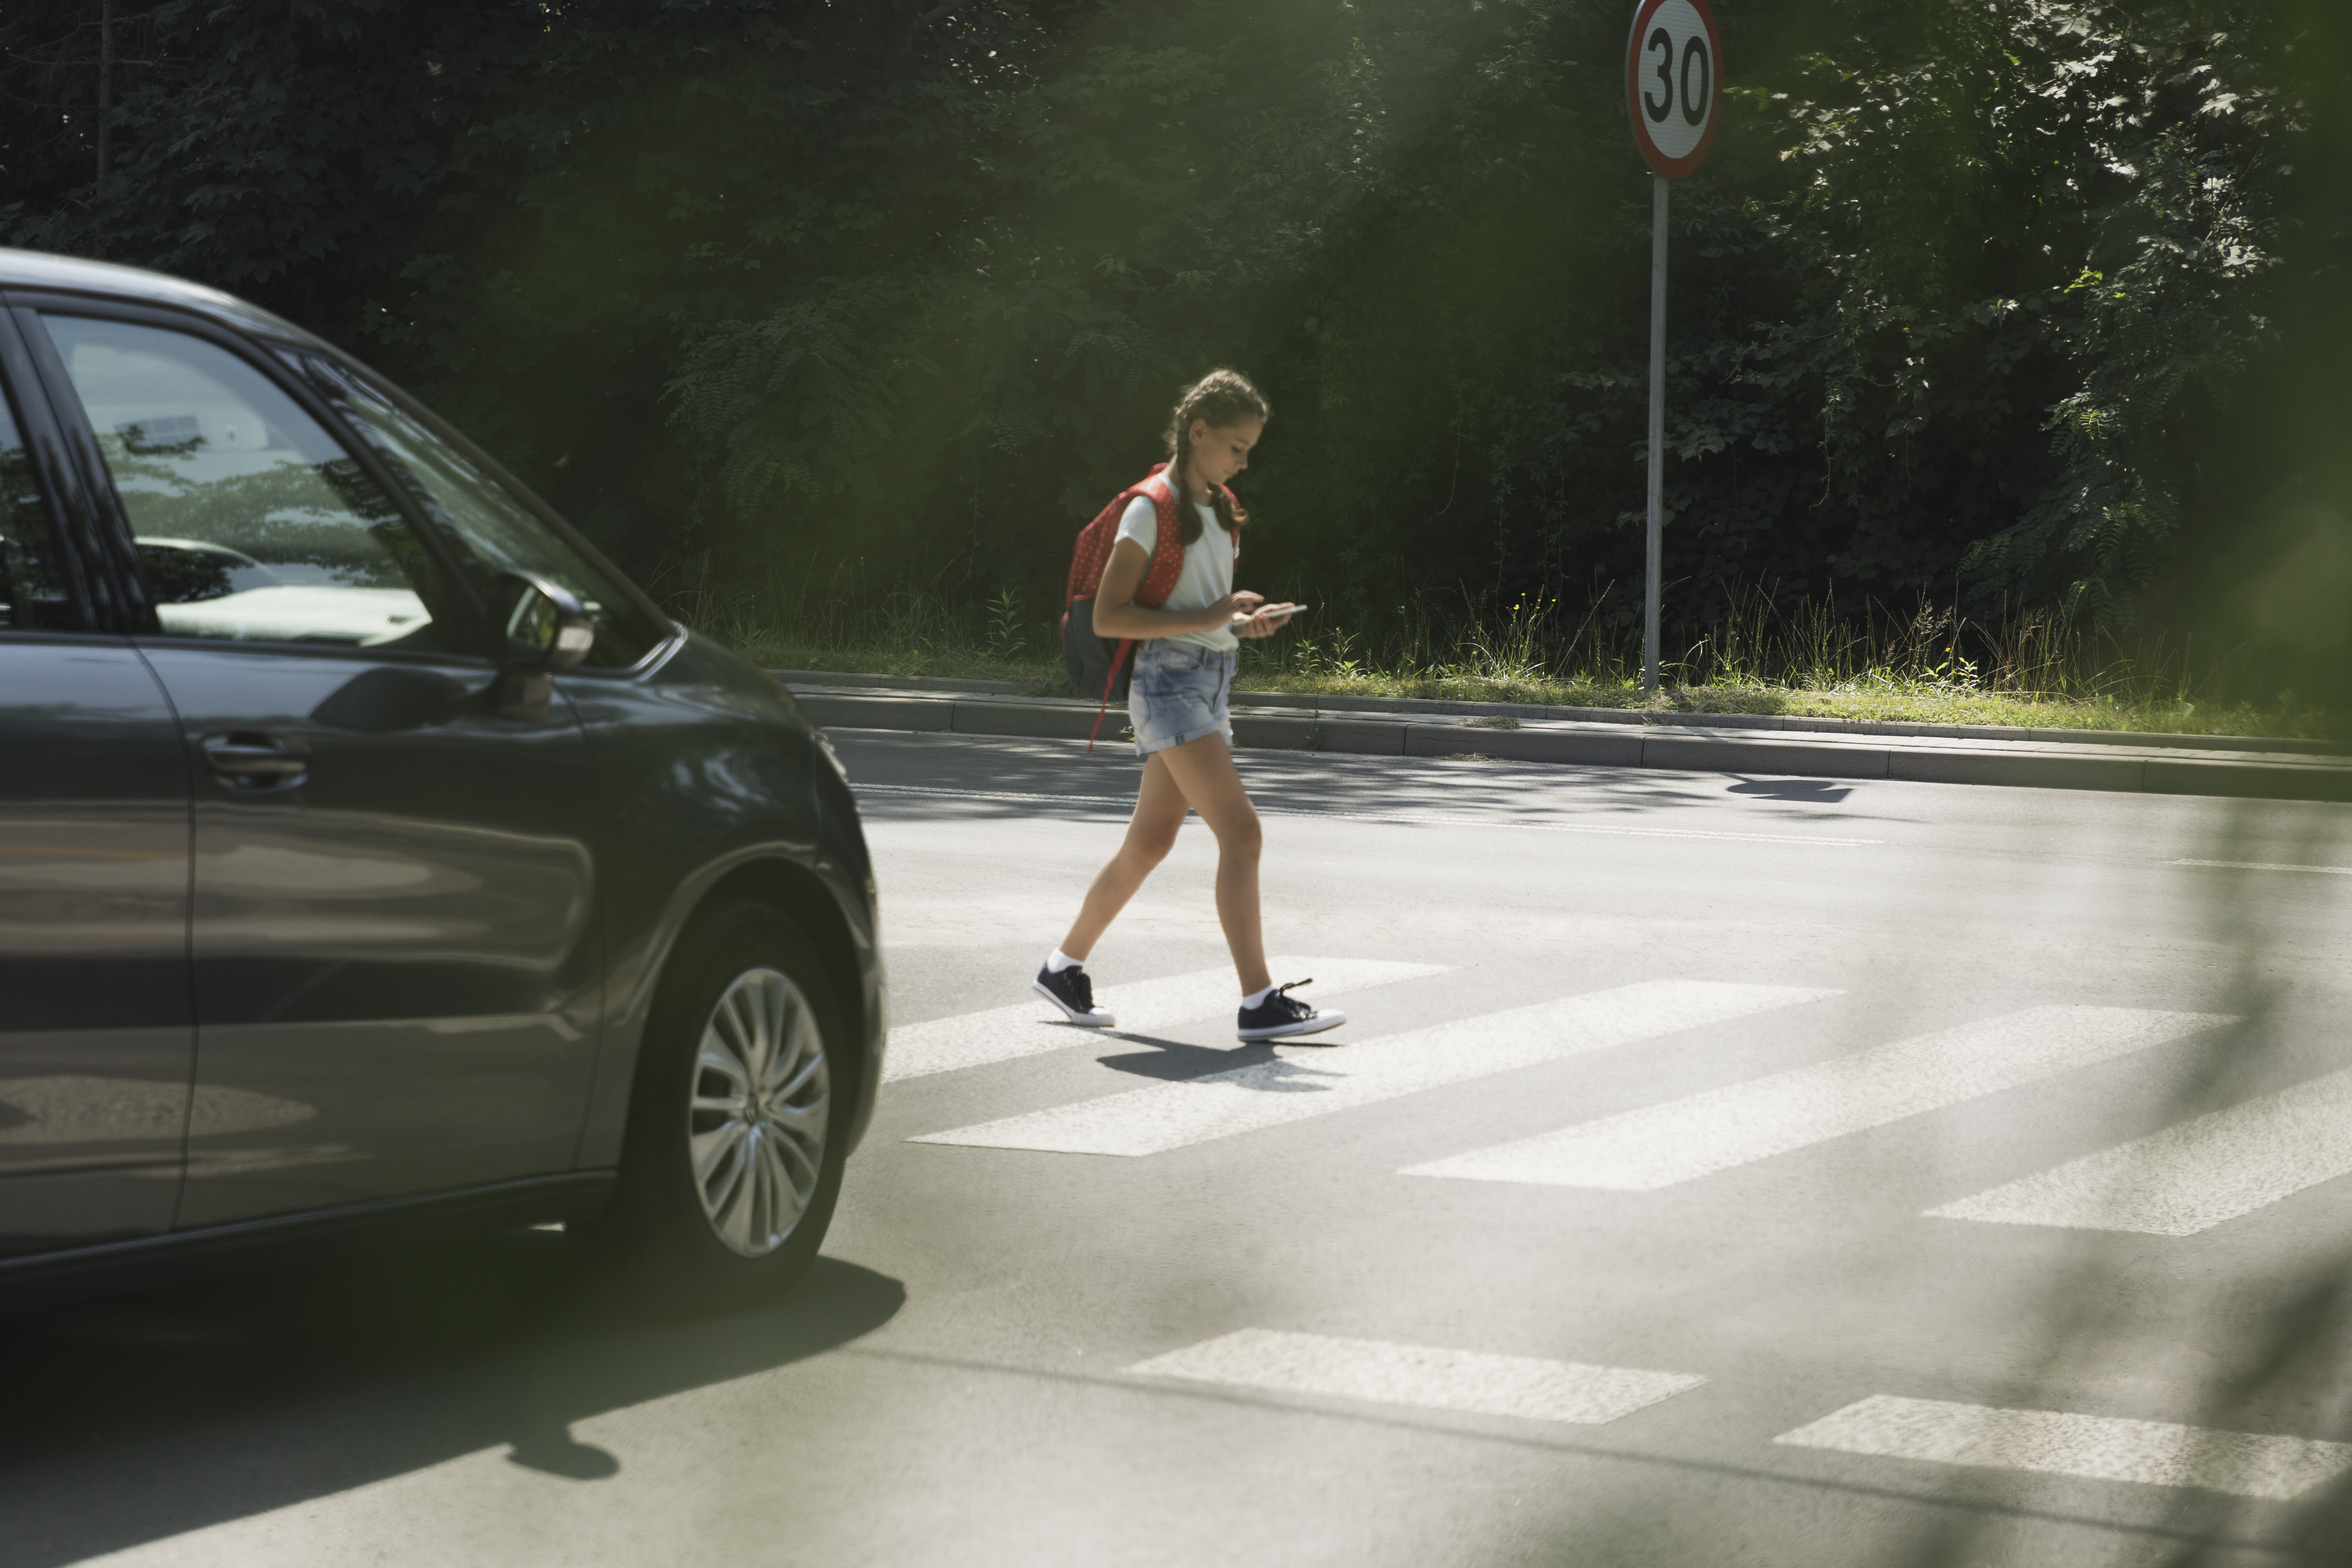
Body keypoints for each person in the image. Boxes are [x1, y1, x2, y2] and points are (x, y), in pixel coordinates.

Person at [1033, 370, 1345, 1043]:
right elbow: (1115, 617)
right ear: (1197, 431)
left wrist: (1240, 623)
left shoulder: (1222, 509)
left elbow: (1201, 615)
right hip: (1168, 683)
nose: (1243, 461)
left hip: (1209, 676)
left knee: (1150, 842)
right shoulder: (1151, 507)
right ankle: (1258, 1001)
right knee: (1243, 833)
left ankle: (1062, 967)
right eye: (1235, 446)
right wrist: (1209, 616)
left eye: (1248, 450)